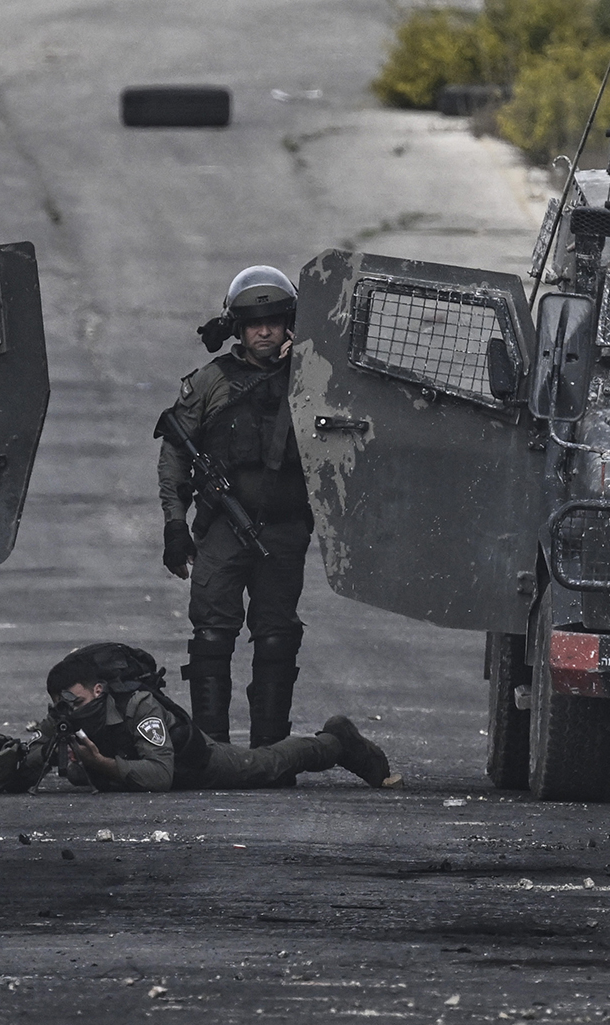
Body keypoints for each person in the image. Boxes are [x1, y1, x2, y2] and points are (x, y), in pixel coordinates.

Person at [158, 265, 313, 749]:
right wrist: (174, 525)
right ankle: (211, 749)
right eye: (253, 324)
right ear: (237, 329)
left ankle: (271, 750)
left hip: (284, 529)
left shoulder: (311, 381)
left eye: (274, 322)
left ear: (290, 325)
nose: (264, 332)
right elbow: (174, 455)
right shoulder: (212, 382)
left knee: (277, 636)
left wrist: (305, 363)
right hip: (224, 527)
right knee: (211, 634)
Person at [29, 642, 397, 793]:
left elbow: (160, 776)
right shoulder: (65, 717)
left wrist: (100, 764)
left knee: (268, 765)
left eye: (75, 702)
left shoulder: (138, 706)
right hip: (162, 771)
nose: (69, 712)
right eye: (62, 706)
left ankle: (335, 741)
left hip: (199, 764)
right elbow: (30, 758)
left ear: (98, 690)